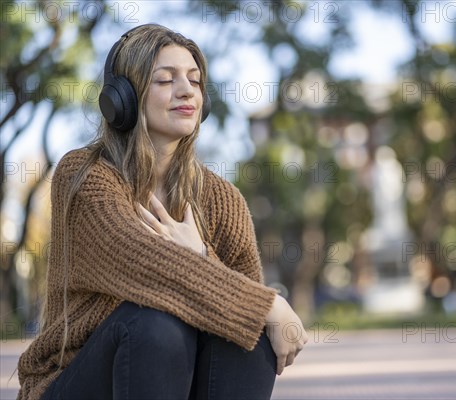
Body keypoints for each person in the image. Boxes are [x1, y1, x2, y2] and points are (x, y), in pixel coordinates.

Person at [16, 23, 308, 400]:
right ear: (122, 97)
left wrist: (202, 255)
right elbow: (138, 260)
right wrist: (270, 303)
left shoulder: (223, 198)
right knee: (155, 324)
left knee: (246, 335)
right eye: (165, 80)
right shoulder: (85, 175)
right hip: (74, 379)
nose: (186, 90)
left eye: (195, 80)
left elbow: (239, 300)